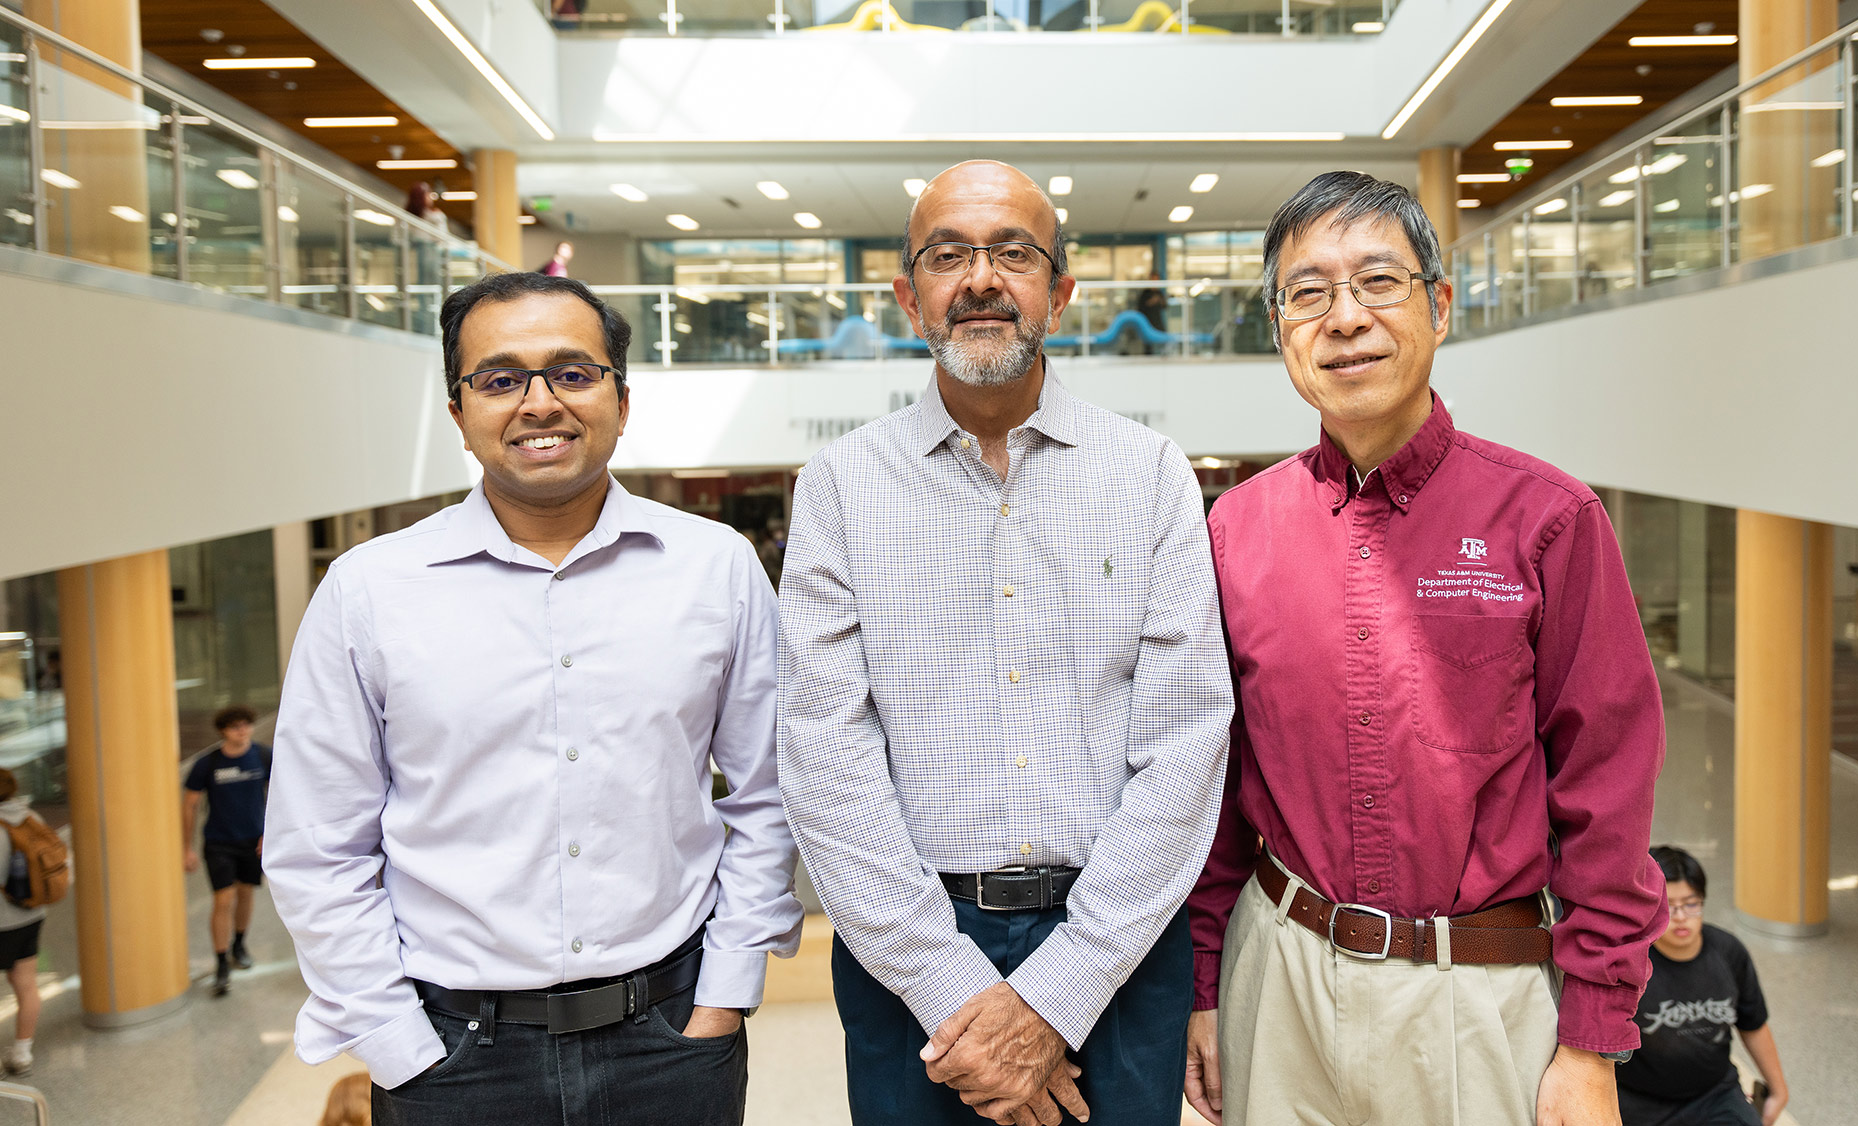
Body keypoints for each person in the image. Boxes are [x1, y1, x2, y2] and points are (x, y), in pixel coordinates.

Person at [1183, 171, 1668, 1126]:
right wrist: (1205, 982)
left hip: (1478, 998)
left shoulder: (1550, 520)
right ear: (1279, 328)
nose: (1345, 318)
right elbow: (1215, 783)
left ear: (1439, 306)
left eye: (1378, 282)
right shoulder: (1235, 530)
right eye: (1309, 292)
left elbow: (1607, 786)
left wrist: (1593, 1037)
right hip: (1278, 976)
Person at [265, 271, 802, 1125]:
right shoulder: (369, 590)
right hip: (453, 1059)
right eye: (501, 378)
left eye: (573, 373)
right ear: (459, 413)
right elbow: (316, 844)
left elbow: (773, 791)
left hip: (671, 1040)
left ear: (622, 401)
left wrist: (726, 993)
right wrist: (395, 1039)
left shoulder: (716, 567)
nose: (539, 402)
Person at [778, 160, 1234, 1126]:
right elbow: (826, 759)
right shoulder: (840, 488)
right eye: (948, 255)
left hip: (1118, 947)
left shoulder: (1148, 475)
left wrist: (1060, 991)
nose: (980, 279)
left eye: (1013, 253)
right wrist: (954, 992)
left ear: (1060, 292)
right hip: (909, 955)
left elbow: (1188, 744)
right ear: (910, 298)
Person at [1618, 847, 1790, 1126]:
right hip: (1640, 1100)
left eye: (1691, 903)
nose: (1682, 916)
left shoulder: (1728, 951)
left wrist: (1778, 1089)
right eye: (1669, 907)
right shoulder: (1630, 959)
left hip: (1715, 1094)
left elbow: (1753, 1023)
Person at [183, 704, 272, 997]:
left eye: (246, 725)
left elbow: (281, 795)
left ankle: (239, 943)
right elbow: (190, 805)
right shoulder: (207, 764)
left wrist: (270, 834)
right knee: (224, 899)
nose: (242, 731)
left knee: (245, 893)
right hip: (219, 842)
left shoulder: (262, 756)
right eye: (235, 727)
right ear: (223, 731)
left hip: (253, 842)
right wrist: (187, 847)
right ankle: (221, 961)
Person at [0, 769, 44, 1076]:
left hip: (1, 921)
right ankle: (22, 1054)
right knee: (25, 983)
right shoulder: (31, 818)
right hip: (31, 915)